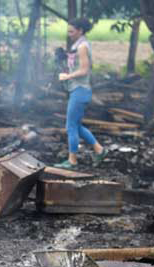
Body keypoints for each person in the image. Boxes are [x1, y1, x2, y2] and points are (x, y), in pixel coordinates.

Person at [55, 18, 107, 169]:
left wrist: (68, 76)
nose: (69, 34)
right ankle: (99, 150)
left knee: (70, 126)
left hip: (81, 90)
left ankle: (72, 161)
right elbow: (75, 66)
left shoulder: (82, 46)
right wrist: (63, 59)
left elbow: (84, 70)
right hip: (77, 89)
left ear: (80, 31)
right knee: (76, 126)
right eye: (68, 31)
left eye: (72, 31)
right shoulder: (76, 45)